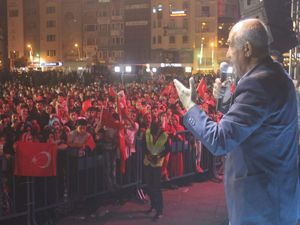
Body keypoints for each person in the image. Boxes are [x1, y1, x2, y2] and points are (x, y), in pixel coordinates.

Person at [173, 18, 299, 225]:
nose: (228, 54)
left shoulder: (259, 83)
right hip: (276, 201)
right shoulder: (276, 75)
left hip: (262, 208)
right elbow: (254, 122)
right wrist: (223, 103)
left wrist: (190, 106)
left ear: (247, 48)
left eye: (231, 45)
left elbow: (220, 141)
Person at [143, 120, 168, 221]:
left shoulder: (165, 135)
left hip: (157, 164)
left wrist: (159, 156)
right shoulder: (148, 133)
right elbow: (143, 146)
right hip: (148, 163)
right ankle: (152, 205)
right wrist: (147, 154)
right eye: (154, 135)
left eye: (156, 134)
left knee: (157, 188)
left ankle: (159, 210)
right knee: (149, 187)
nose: (155, 137)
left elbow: (168, 149)